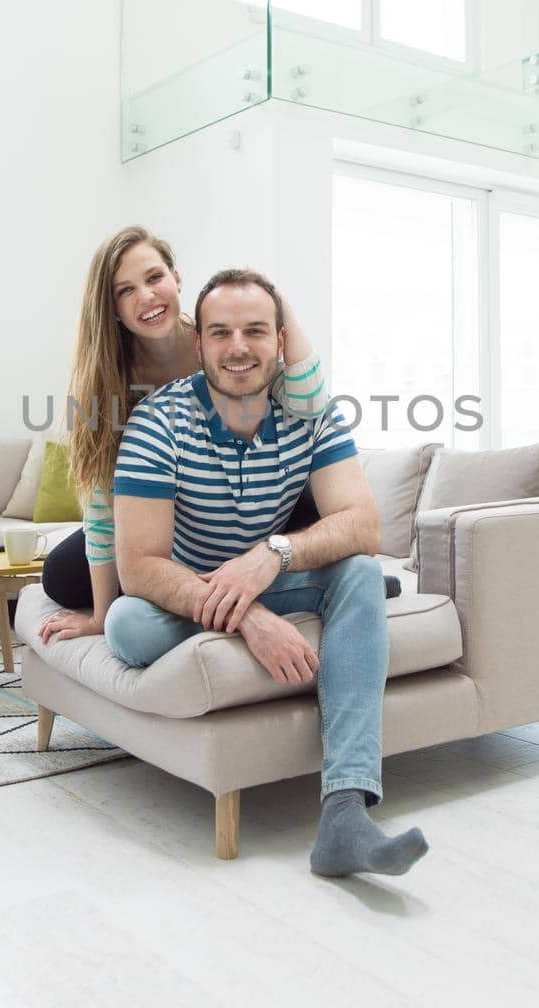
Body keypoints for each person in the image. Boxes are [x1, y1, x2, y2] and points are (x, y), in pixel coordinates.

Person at [102, 268, 428, 879]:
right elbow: (139, 565)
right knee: (127, 626)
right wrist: (247, 616)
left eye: (255, 330)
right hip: (187, 589)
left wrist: (272, 555)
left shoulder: (313, 416)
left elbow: (364, 525)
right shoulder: (156, 423)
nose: (238, 347)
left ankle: (345, 812)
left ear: (281, 340)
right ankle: (330, 607)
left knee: (357, 567)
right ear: (198, 346)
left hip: (269, 571)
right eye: (221, 332)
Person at [37, 226, 327, 643]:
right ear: (111, 309)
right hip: (159, 515)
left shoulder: (224, 339)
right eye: (125, 291)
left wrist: (275, 296)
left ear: (177, 277)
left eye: (154, 278)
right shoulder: (109, 385)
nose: (146, 296)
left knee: (316, 516)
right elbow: (101, 505)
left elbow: (311, 402)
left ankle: (296, 590)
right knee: (61, 575)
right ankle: (193, 587)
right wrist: (101, 617)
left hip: (250, 504)